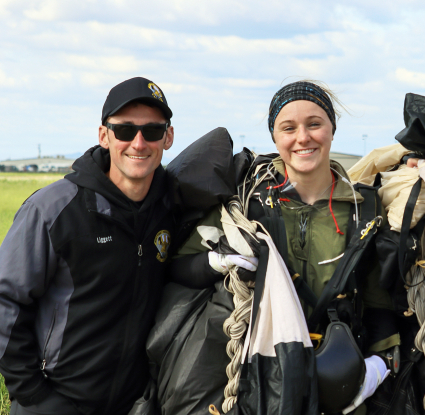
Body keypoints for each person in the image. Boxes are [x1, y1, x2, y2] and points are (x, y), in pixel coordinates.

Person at [170, 81, 399, 414]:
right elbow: (178, 267)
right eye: (288, 128)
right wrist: (216, 262)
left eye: (314, 124)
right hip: (258, 380)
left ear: (332, 130)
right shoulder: (244, 206)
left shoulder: (365, 208)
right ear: (275, 137)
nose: (302, 137)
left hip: (340, 378)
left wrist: (380, 364)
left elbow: (379, 298)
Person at [0, 77, 176, 415]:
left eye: (152, 131)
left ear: (168, 137)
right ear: (103, 135)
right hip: (53, 404)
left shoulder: (172, 209)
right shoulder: (54, 210)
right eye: (124, 130)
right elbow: (6, 300)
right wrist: (34, 395)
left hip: (133, 406)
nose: (138, 143)